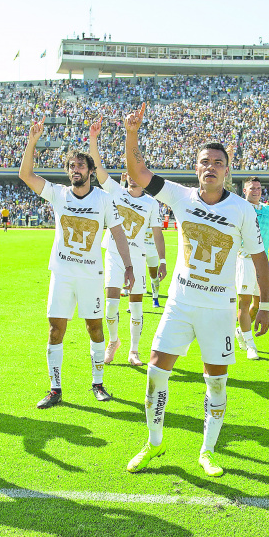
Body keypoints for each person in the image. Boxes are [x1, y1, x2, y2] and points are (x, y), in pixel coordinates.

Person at [123, 103, 269, 477]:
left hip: (219, 310)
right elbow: (138, 172)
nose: (211, 167)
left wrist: (265, 305)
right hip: (180, 303)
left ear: (226, 169)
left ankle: (207, 451)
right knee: (156, 371)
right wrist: (132, 133)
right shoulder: (180, 196)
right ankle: (154, 442)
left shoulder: (243, 210)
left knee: (216, 381)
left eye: (217, 162)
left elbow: (259, 258)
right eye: (205, 161)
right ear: (197, 168)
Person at [19, 117, 134, 407]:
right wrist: (32, 140)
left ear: (91, 172)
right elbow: (26, 175)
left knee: (95, 329)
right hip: (61, 274)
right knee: (55, 330)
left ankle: (98, 383)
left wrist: (129, 267)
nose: (75, 170)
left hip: (90, 276)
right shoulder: (58, 193)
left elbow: (119, 233)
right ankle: (55, 389)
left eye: (80, 166)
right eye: (71, 166)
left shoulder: (105, 199)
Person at [85, 116, 166, 367]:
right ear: (125, 176)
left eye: (136, 174)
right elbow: (97, 169)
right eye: (129, 174)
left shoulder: (152, 203)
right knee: (110, 303)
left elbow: (157, 233)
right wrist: (93, 139)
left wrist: (162, 260)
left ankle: (134, 351)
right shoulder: (116, 192)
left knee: (136, 306)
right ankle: (113, 341)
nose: (132, 177)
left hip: (139, 257)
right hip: (113, 253)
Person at [235, 176, 269, 360]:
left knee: (257, 305)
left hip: (262, 262)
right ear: (245, 190)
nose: (256, 191)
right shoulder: (239, 207)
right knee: (244, 302)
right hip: (244, 259)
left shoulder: (267, 210)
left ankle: (241, 330)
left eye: (258, 188)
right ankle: (250, 345)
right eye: (252, 188)